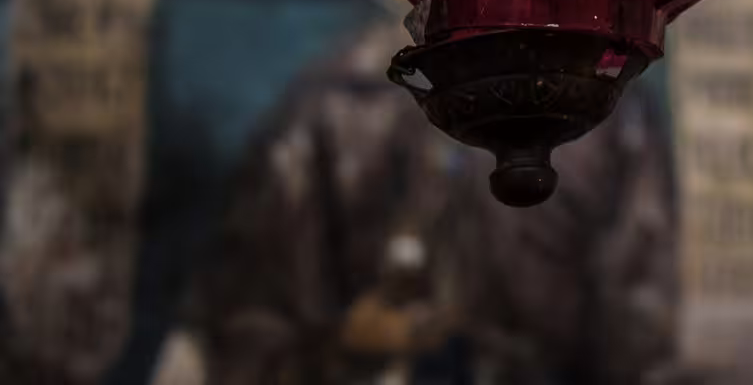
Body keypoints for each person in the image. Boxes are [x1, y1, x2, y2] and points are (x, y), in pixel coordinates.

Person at [175, 20, 682, 385]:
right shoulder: (332, 104)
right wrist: (348, 345)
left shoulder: (608, 115)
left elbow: (637, 339)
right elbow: (247, 331)